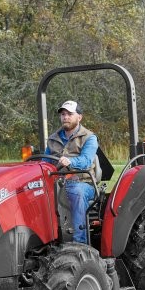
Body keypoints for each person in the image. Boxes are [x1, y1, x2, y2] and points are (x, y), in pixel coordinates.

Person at [45, 100, 99, 244]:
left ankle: (79, 243)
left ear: (79, 117)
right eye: (63, 114)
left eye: (70, 114)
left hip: (83, 183)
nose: (65, 117)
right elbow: (45, 163)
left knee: (76, 191)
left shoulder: (89, 138)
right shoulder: (52, 139)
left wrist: (71, 162)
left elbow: (87, 161)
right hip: (57, 183)